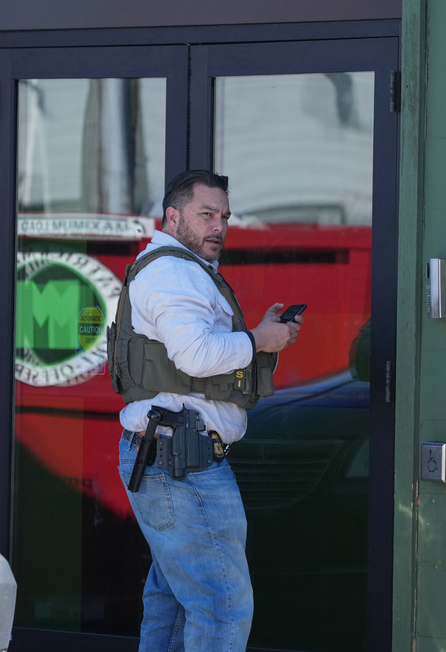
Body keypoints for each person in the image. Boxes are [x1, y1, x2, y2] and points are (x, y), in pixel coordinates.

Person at [107, 169, 301, 651]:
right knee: (222, 606)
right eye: (206, 214)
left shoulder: (171, 267)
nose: (219, 226)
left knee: (173, 603)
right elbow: (194, 354)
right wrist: (259, 339)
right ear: (173, 217)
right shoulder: (174, 270)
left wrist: (259, 336)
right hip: (182, 464)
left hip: (169, 456)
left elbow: (192, 355)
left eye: (225, 217)